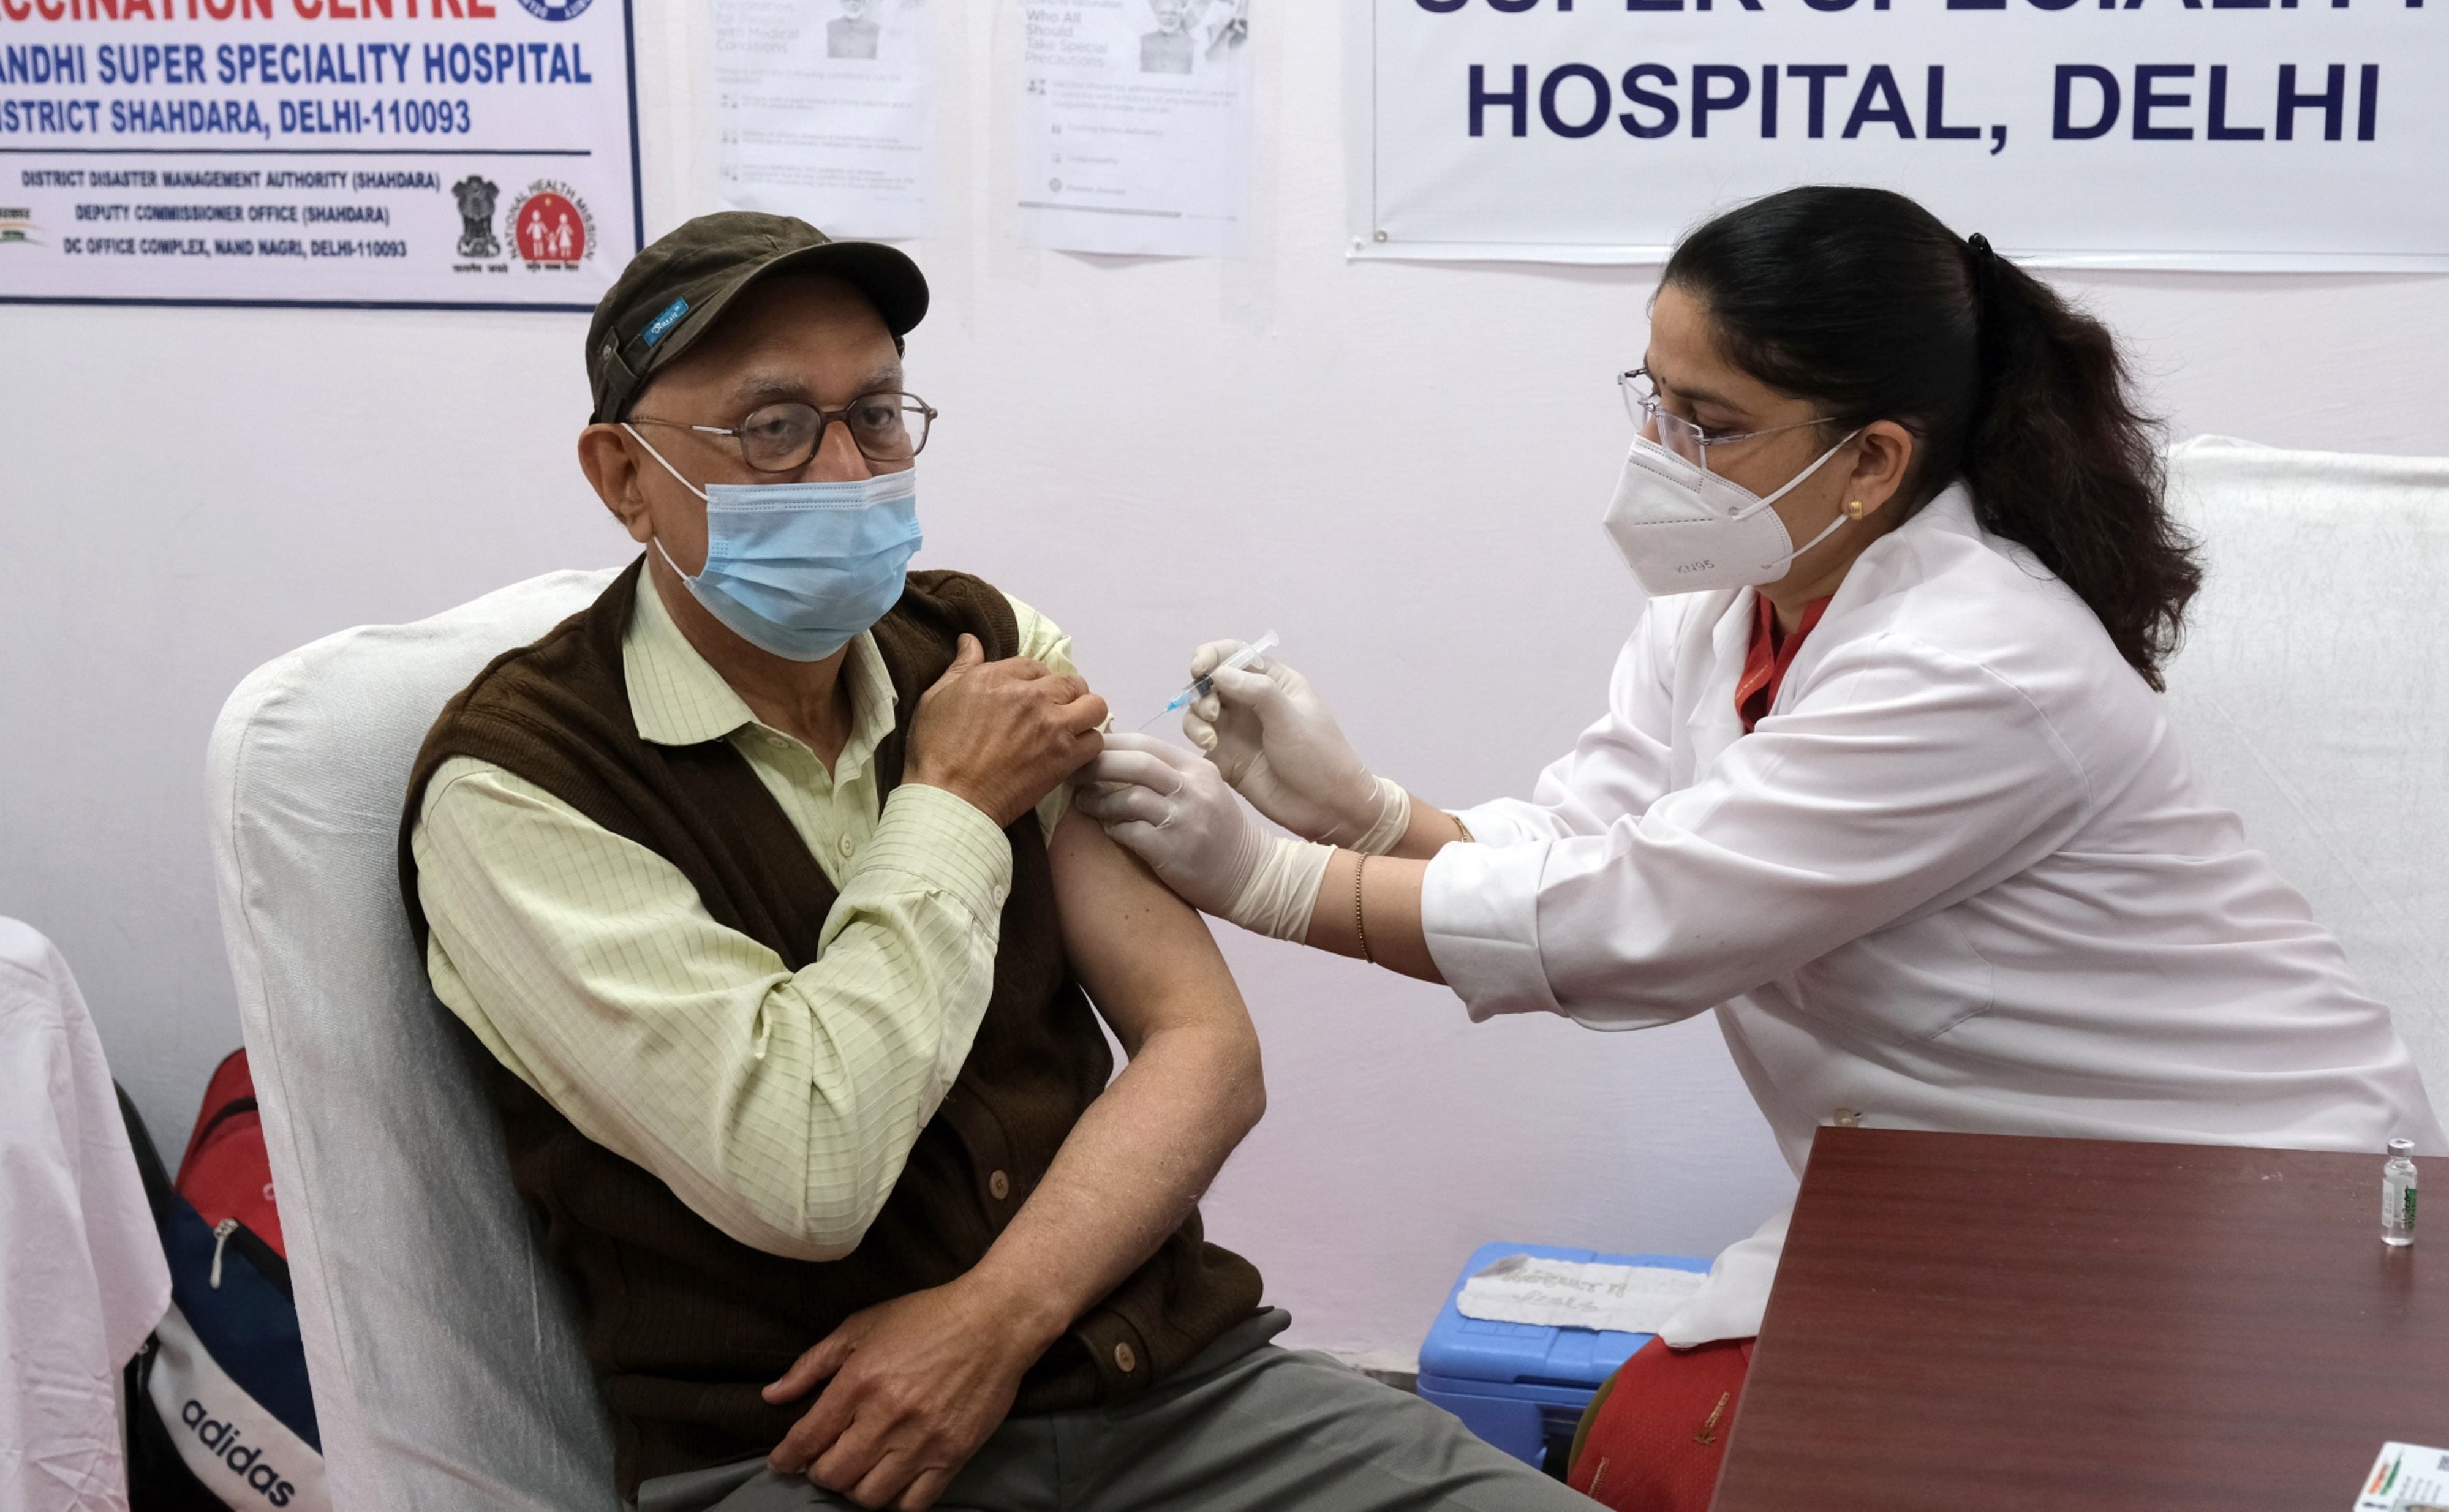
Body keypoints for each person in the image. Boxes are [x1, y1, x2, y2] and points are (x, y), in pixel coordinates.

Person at [1074, 185, 2445, 1510]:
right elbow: (1593, 836)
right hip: (1975, 1182)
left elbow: (1632, 924)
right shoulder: (1735, 598)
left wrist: (1264, 876)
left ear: (1873, 460)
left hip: (2245, 1202)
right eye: (1652, 398)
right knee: (1653, 1440)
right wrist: (1364, 812)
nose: (1660, 452)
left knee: (1711, 1461)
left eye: (1710, 423)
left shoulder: (1977, 661)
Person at [400, 211, 1594, 1512]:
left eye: (876, 415)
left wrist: (993, 1321)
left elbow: (1203, 1048)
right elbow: (806, 1173)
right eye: (773, 427)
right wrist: (955, 805)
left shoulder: (982, 646)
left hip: (1162, 1388)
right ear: (623, 477)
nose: (843, 470)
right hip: (823, 1452)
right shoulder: (525, 784)